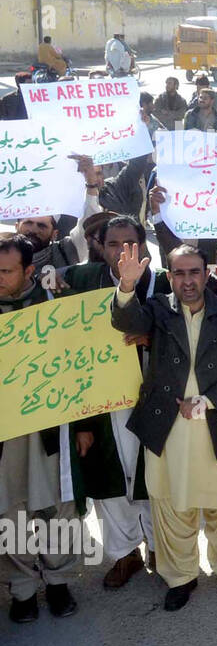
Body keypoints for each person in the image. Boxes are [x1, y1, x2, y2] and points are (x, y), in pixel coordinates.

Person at [110, 243, 217, 611]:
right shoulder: (158, 308)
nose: (187, 280)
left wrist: (209, 401)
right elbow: (127, 322)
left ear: (206, 274)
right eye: (179, 273)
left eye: (194, 272)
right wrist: (127, 287)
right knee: (172, 503)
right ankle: (180, 577)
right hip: (167, 424)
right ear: (169, 275)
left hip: (216, 421)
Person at [63, 217, 167, 591]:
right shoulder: (82, 281)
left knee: (154, 474)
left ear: (144, 246)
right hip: (102, 400)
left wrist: (152, 338)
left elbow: (185, 336)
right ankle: (125, 554)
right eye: (113, 244)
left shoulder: (163, 283)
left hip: (153, 396)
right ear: (100, 246)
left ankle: (161, 549)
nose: (122, 251)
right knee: (110, 477)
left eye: (131, 242)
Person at [0, 235, 80, 623]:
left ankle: (60, 580)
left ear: (29, 270)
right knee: (11, 509)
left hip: (51, 427)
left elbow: (85, 370)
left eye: (5, 271)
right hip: (5, 434)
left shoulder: (56, 306)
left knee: (56, 508)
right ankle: (23, 588)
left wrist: (83, 427)